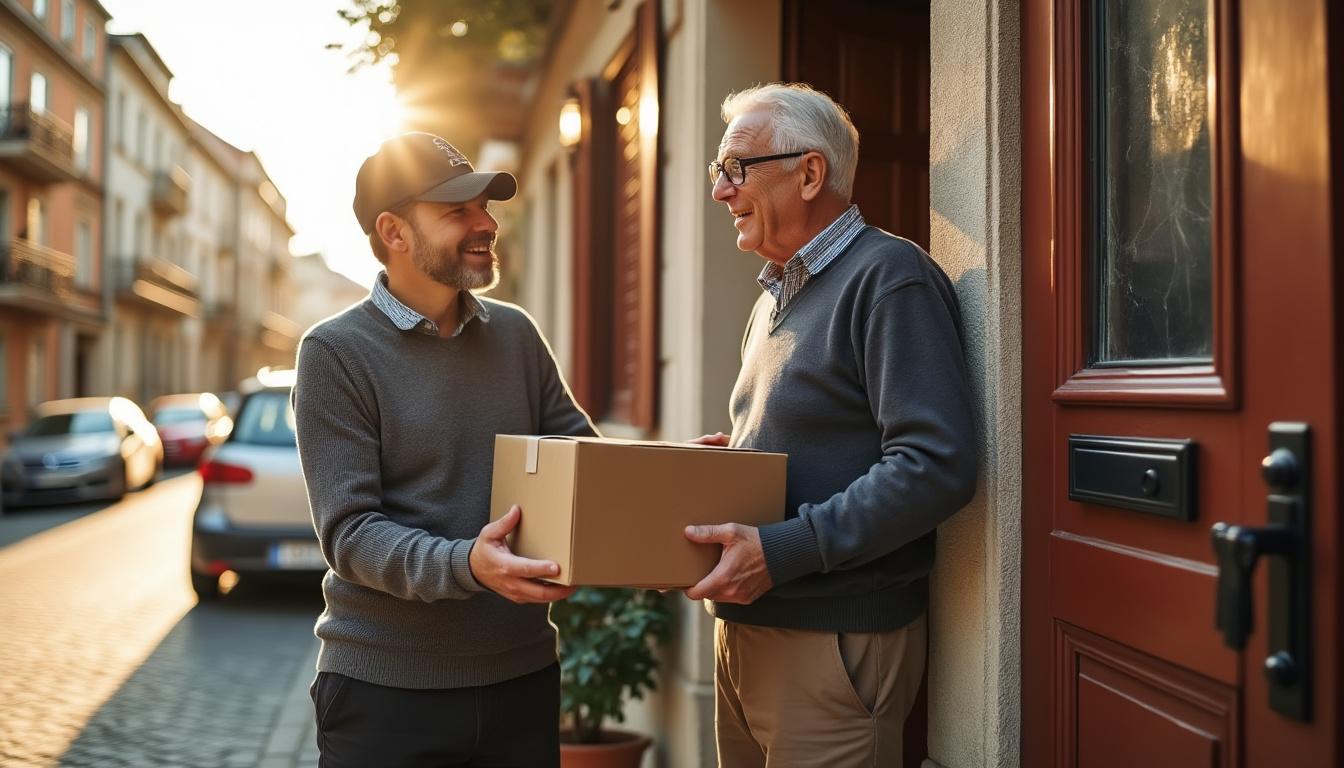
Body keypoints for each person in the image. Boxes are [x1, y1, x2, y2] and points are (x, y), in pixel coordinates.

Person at [685, 84, 978, 766]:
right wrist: (734, 460)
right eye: (717, 173)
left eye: (735, 169)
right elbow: (826, 435)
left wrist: (780, 551)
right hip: (747, 633)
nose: (720, 192)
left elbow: (936, 464)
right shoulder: (774, 296)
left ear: (809, 173)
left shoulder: (888, 276)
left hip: (833, 648)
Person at [292, 132, 596, 767]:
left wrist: (676, 468)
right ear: (394, 232)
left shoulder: (515, 334)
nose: (486, 223)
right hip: (386, 694)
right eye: (458, 211)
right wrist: (469, 565)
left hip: (522, 680)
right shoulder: (334, 353)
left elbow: (582, 459)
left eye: (484, 206)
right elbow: (350, 534)